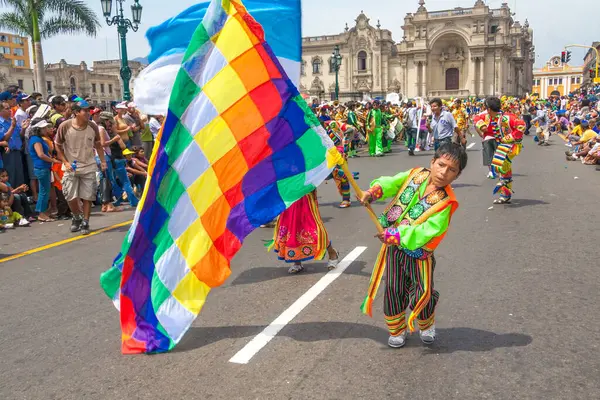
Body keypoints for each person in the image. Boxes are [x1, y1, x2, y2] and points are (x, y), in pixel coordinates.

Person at [359, 143, 467, 348]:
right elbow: (392, 183)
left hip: (419, 255)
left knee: (422, 292)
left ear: (457, 175)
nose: (444, 172)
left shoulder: (446, 202)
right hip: (394, 249)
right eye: (441, 164)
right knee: (393, 289)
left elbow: (428, 231)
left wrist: (395, 234)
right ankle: (397, 330)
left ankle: (426, 325)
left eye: (451, 170)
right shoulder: (416, 174)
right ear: (432, 162)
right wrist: (373, 192)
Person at [55, 100, 107, 235]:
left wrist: (102, 161)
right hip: (71, 166)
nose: (88, 113)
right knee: (70, 196)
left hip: (89, 165)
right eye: (85, 110)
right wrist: (65, 162)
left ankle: (85, 220)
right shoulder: (64, 126)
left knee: (88, 196)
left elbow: (98, 144)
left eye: (89, 110)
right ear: (76, 112)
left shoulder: (93, 126)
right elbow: (58, 145)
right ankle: (76, 216)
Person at [268, 190, 340, 274]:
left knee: (313, 231)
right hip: (288, 196)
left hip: (304, 195)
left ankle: (332, 253)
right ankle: (297, 261)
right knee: (292, 230)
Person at [475, 97, 525, 204]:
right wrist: (482, 125)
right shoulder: (489, 116)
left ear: (488, 109)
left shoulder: (506, 118)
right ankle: (505, 194)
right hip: (502, 145)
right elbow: (476, 118)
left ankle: (505, 190)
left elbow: (521, 126)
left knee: (503, 167)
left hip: (511, 145)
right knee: (502, 168)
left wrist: (509, 137)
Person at [29, 119, 61, 222]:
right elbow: (41, 155)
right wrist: (53, 160)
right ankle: (41, 213)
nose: (46, 129)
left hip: (44, 167)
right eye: (44, 128)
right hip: (41, 167)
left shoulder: (39, 139)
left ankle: (44, 212)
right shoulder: (36, 139)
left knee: (45, 191)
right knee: (44, 191)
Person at [0, 101, 25, 188]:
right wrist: (12, 127)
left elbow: (20, 135)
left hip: (17, 151)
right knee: (9, 175)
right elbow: (4, 139)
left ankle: (21, 195)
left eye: (9, 108)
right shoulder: (1, 123)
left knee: (19, 175)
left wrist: (23, 128)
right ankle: (12, 196)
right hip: (7, 153)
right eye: (7, 109)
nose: (10, 110)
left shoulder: (12, 120)